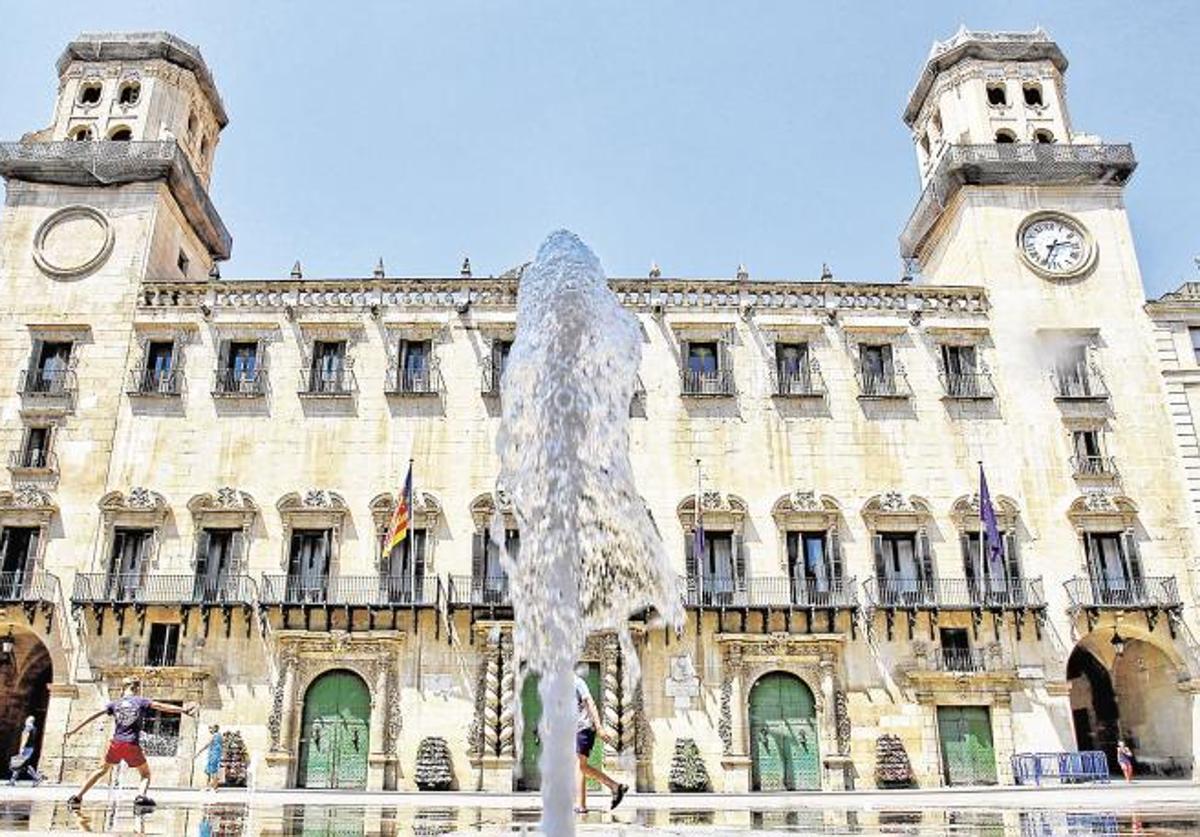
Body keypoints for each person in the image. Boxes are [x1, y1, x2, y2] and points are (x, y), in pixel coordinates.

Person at [64, 676, 197, 808]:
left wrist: (74, 730)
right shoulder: (140, 701)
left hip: (116, 743)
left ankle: (78, 796)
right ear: (137, 688)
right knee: (145, 774)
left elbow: (93, 716)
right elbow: (160, 706)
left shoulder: (115, 704)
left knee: (101, 770)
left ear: (123, 688)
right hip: (131, 743)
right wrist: (183, 710)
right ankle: (140, 796)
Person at [573, 665, 628, 814]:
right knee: (581, 767)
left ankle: (583, 804)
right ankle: (613, 787)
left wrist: (599, 727)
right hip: (576, 730)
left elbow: (590, 702)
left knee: (580, 766)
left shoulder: (577, 682)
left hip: (584, 728)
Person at [7, 715, 44, 786]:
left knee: (24, 764)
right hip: (31, 748)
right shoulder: (34, 728)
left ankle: (37, 777)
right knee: (20, 764)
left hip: (26, 748)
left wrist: (22, 748)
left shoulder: (28, 728)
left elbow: (25, 738)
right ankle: (12, 780)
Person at [195, 724, 223, 792]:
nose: (209, 730)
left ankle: (214, 788)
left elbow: (208, 744)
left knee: (213, 772)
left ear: (215, 729)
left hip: (213, 755)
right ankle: (208, 786)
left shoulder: (214, 736)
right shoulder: (219, 736)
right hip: (215, 755)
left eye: (211, 728)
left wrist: (199, 752)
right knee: (208, 771)